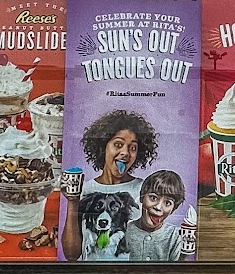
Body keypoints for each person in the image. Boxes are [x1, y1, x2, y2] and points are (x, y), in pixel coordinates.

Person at [60, 108, 158, 262]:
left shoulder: (144, 189)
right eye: (118, 144)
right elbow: (71, 255)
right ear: (103, 146)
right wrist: (73, 201)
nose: (125, 152)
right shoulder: (85, 190)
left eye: (132, 148)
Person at [125, 170, 188, 262]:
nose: (158, 207)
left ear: (173, 209)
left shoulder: (176, 236)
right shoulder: (123, 232)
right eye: (153, 198)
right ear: (142, 197)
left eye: (167, 203)